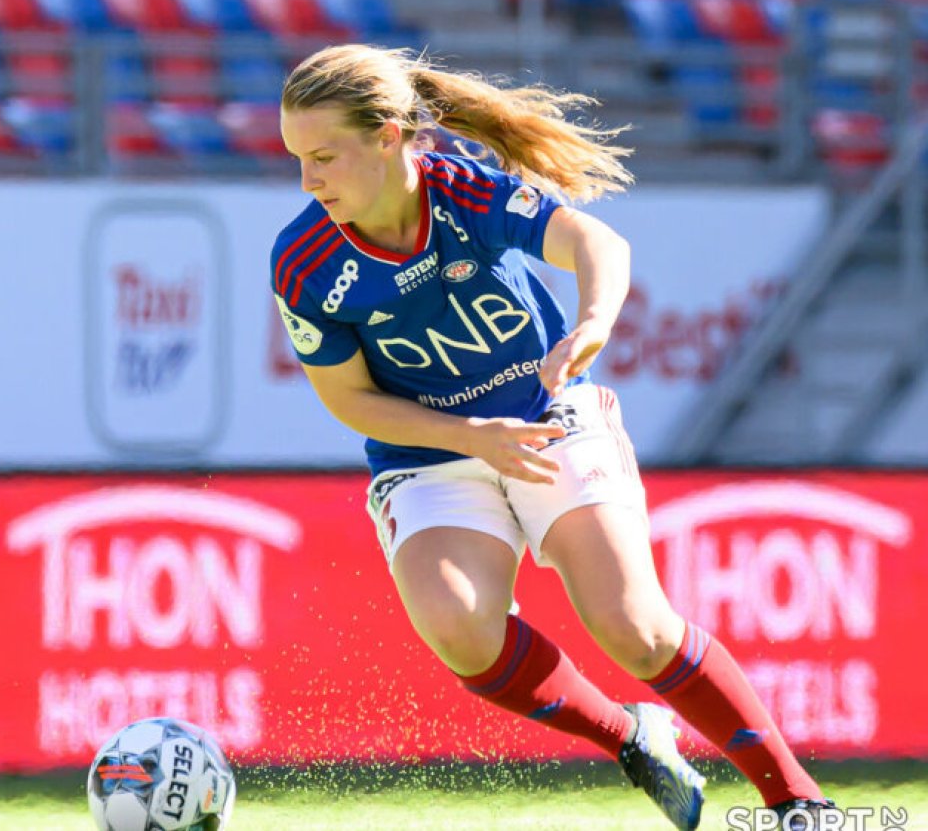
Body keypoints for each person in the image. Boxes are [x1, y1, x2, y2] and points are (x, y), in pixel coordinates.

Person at [271, 44, 836, 831]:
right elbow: (352, 403)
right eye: (299, 159)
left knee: (634, 629)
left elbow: (597, 244)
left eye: (324, 156)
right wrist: (472, 436)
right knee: (463, 633)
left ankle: (799, 802)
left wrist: (593, 323)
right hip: (428, 453)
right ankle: (631, 739)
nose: (308, 181)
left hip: (548, 419)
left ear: (392, 136)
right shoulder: (304, 262)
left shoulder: (462, 188)